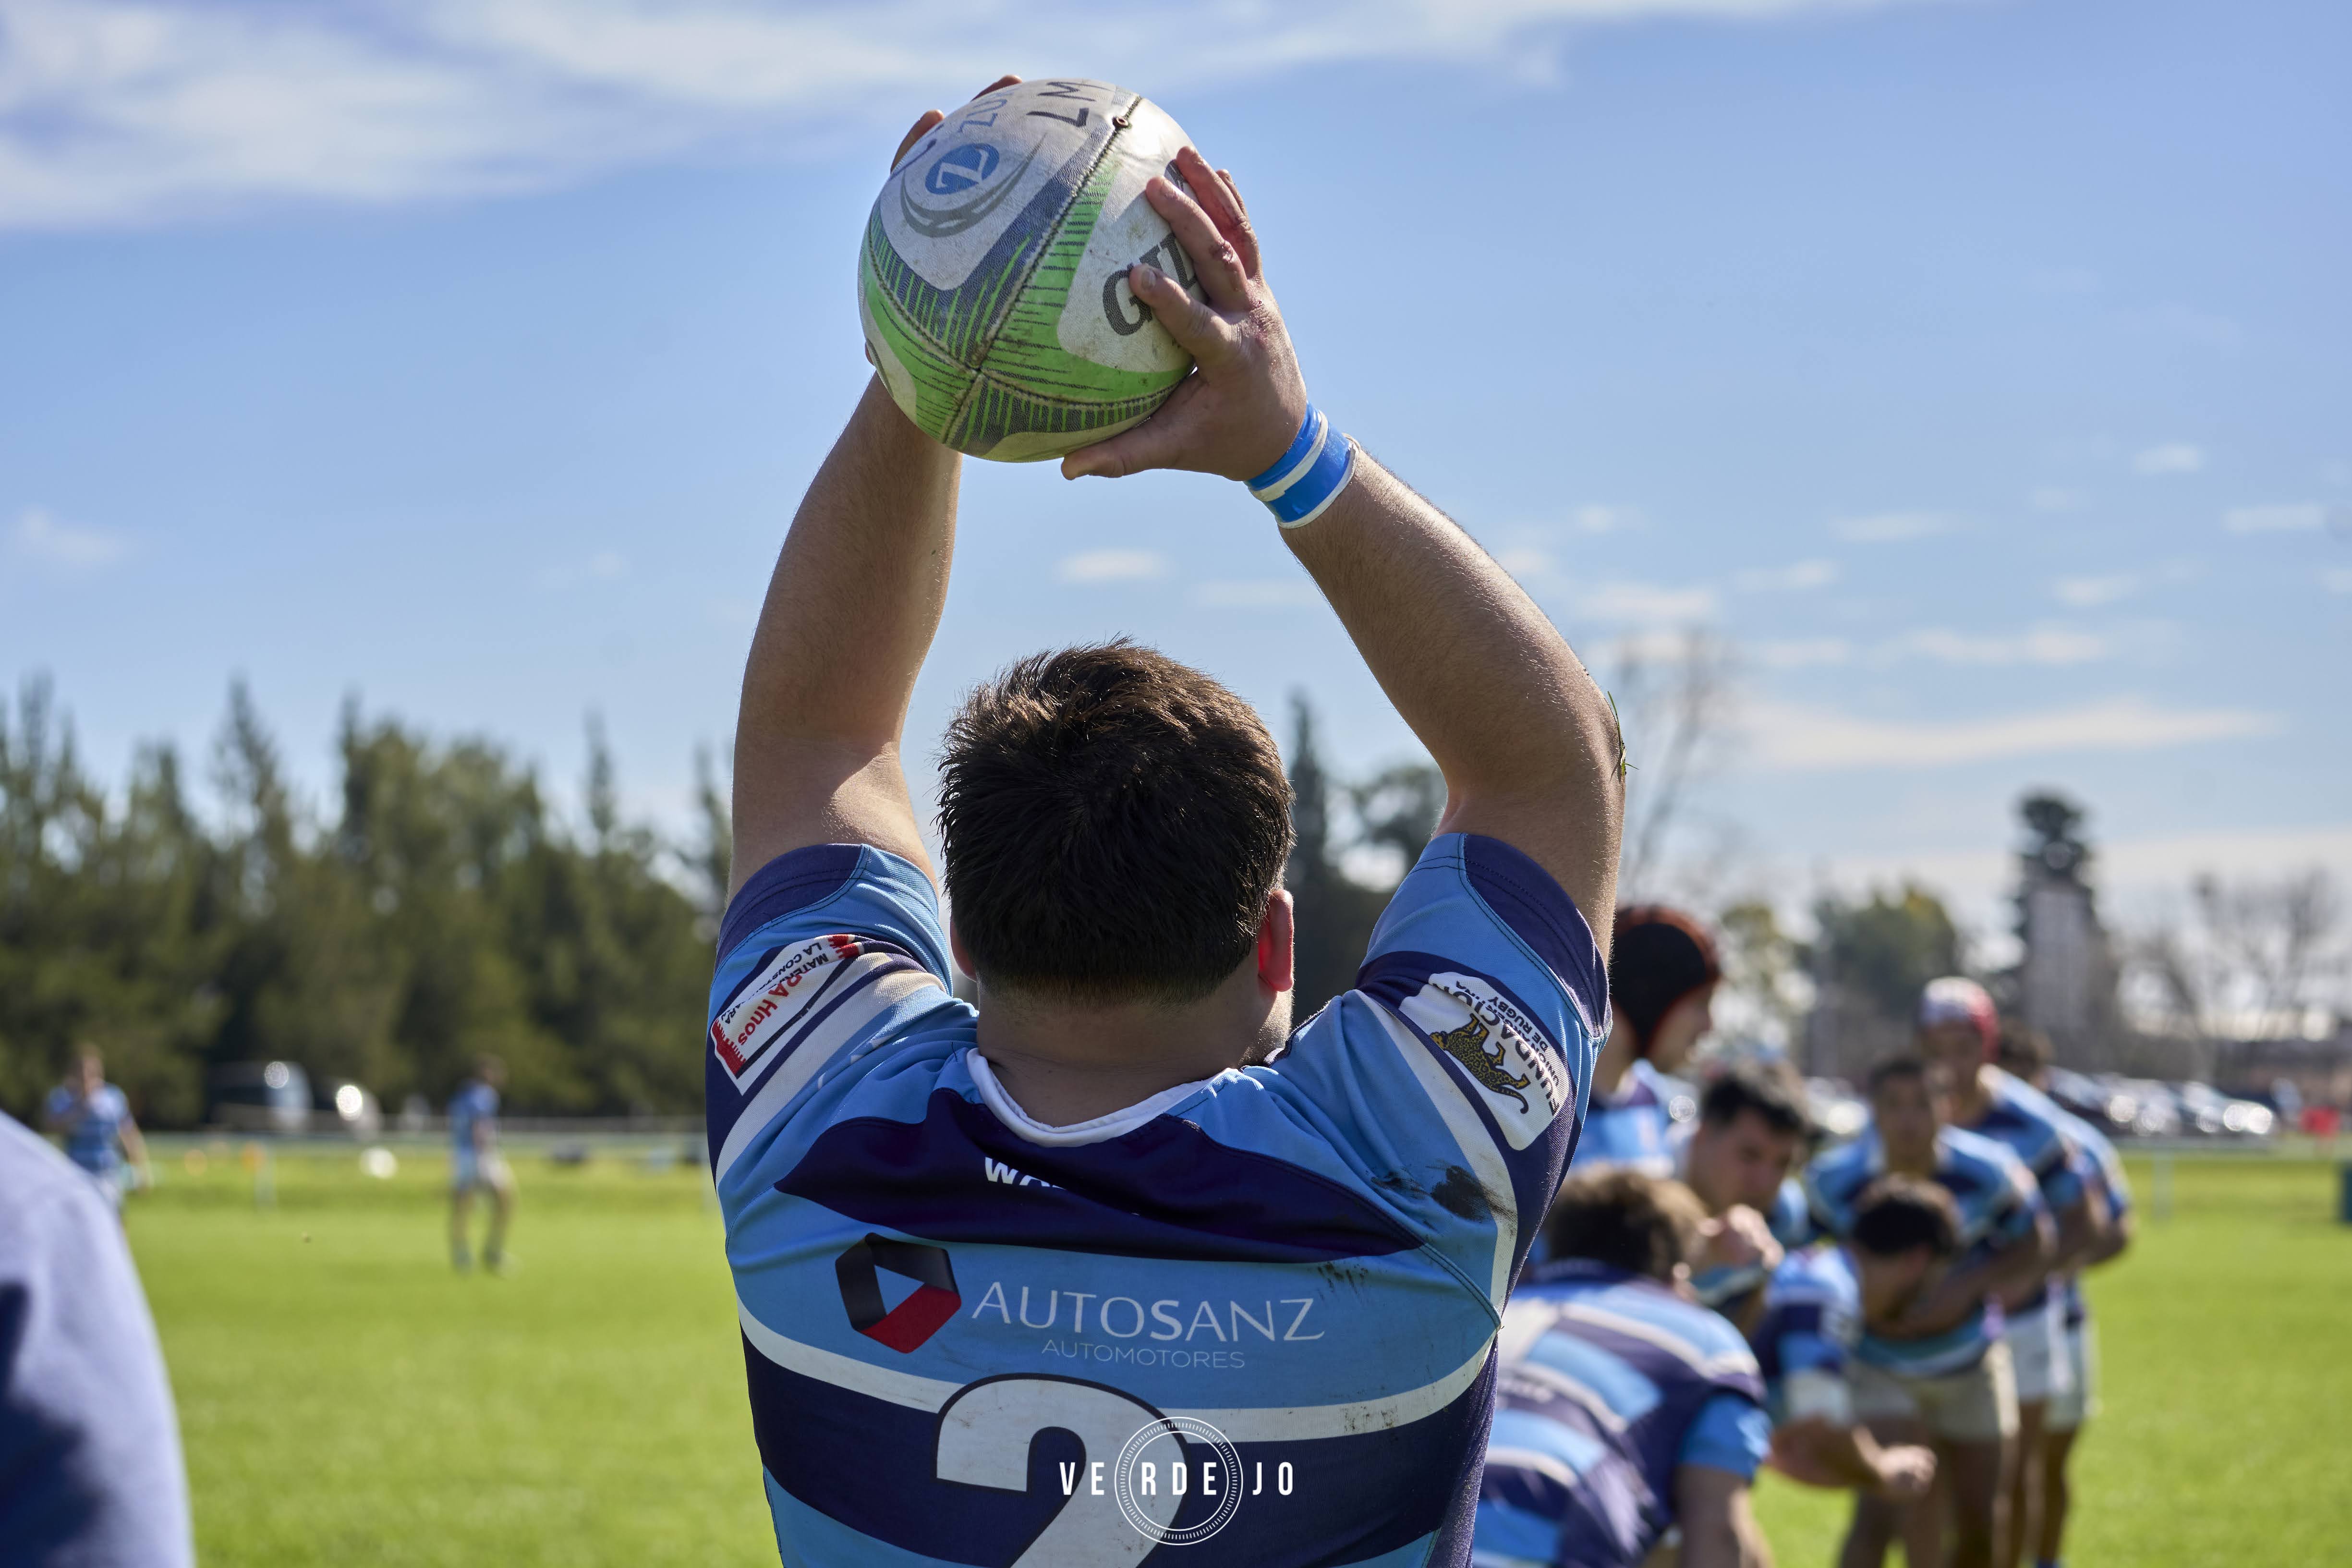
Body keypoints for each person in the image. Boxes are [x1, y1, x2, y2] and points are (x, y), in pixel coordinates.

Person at [708, 77, 1625, 1566]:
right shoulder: (1405, 1165)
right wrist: (1288, 442)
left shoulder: (820, 1125)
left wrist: (937, 350)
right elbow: (1552, 770)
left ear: (959, 929)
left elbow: (820, 730)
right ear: (1273, 946)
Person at [1804, 1057, 2053, 1568]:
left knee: (1980, 1524)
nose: (1907, 1119)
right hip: (1877, 1364)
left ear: (1949, 1105)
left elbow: (2037, 1240)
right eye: (1892, 1105)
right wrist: (1856, 1300)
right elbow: (1797, 1259)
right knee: (1878, 1513)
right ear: (1870, 1111)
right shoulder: (1832, 1179)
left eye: (1921, 1102)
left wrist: (1966, 1288)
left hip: (1969, 1362)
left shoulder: (1990, 1171)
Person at [1473, 1168, 1774, 1568]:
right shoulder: (1710, 1344)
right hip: (1552, 1532)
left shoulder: (1497, 1308)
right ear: (1679, 1273)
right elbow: (1718, 1533)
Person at [1914, 979, 2105, 1568]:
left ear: (1987, 1044)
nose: (1950, 1059)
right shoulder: (1910, 1112)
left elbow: (2088, 1222)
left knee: (2011, 1470)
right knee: (1932, 1478)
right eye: (1936, 1043)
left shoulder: (2031, 1121)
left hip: (2019, 1324)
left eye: (1963, 1043)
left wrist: (2023, 1273)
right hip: (1930, 1324)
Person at [0, 1110, 195, 1566]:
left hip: (101, 1183)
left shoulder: (108, 1104)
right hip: (76, 1187)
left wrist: (138, 1163)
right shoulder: (35, 1219)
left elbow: (126, 1132)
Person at [1995, 1024, 2132, 1568]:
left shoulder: (2071, 1140)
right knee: (1983, 1471)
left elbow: (2117, 1229)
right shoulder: (1962, 1135)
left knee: (2044, 1466)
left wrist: (2045, 1270)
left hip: (2059, 1322)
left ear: (2040, 1080)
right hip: (1968, 1327)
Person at [1749, 1176, 1945, 1506]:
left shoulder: (1820, 1270)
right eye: (1933, 1280)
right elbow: (1821, 1417)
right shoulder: (1829, 1290)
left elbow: (1789, 1439)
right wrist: (1881, 1468)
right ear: (1917, 1261)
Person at [1570, 906, 1720, 1176]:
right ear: (1652, 999)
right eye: (1700, 1004)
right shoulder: (1550, 1099)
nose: (1709, 1026)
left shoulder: (1655, 1098)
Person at [1673, 1058, 1816, 1326]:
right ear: (1703, 1135)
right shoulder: (1645, 1177)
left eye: (1783, 1163)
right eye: (1749, 1156)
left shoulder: (1785, 1214)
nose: (1764, 1183)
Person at [41, 1048, 153, 1215]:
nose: (87, 1078)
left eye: (92, 1073)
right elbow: (50, 1126)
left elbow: (129, 1134)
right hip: (75, 1174)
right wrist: (80, 1108)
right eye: (82, 1073)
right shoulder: (63, 1099)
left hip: (107, 1174)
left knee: (114, 1226)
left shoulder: (113, 1099)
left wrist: (141, 1170)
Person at [448, 1056, 513, 1274]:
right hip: (480, 1155)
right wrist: (482, 1157)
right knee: (504, 1200)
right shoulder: (484, 1096)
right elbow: (480, 1126)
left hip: (462, 1155)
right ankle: (492, 1252)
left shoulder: (461, 1095)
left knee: (462, 1206)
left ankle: (462, 1254)